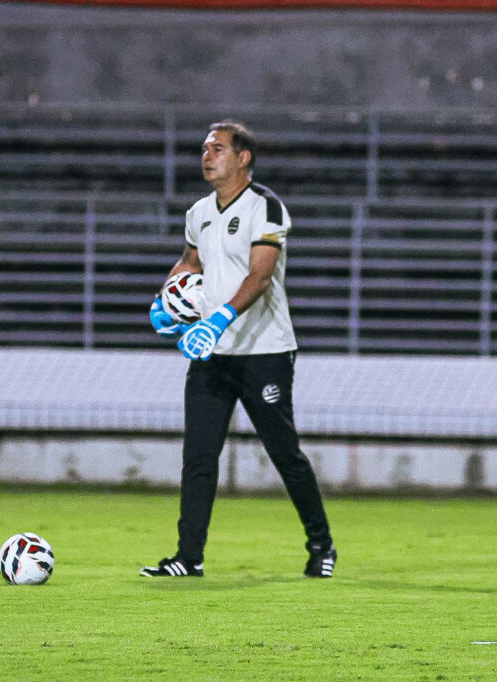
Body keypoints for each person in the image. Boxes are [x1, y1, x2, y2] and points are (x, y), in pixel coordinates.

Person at [141, 120, 336, 579]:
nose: (207, 156)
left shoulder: (264, 207)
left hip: (264, 349)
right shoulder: (198, 213)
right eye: (205, 149)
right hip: (212, 352)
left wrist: (218, 319)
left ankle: (322, 545)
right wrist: (163, 301)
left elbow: (260, 275)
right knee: (200, 455)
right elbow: (190, 263)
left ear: (244, 158)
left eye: (218, 149)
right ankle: (188, 558)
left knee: (284, 451)